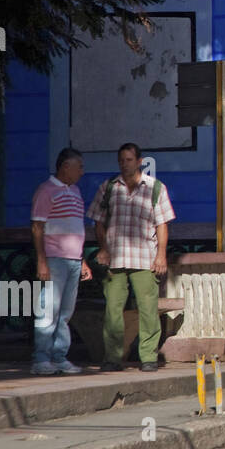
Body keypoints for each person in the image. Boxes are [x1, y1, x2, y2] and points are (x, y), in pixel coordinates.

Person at [89, 143, 174, 371]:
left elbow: (162, 224)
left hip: (145, 257)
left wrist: (161, 255)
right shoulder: (108, 187)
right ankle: (112, 358)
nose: (124, 164)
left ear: (139, 161)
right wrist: (103, 248)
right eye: (121, 160)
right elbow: (98, 221)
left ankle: (148, 357)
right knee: (113, 310)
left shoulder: (155, 187)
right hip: (115, 258)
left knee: (148, 308)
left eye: (129, 160)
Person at [30, 148, 93, 375]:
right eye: (80, 167)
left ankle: (59, 357)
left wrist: (82, 260)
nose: (82, 172)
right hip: (54, 259)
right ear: (65, 166)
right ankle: (41, 359)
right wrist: (42, 261)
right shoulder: (46, 191)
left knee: (65, 313)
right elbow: (37, 227)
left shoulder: (75, 191)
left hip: (74, 260)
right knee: (49, 310)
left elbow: (75, 229)